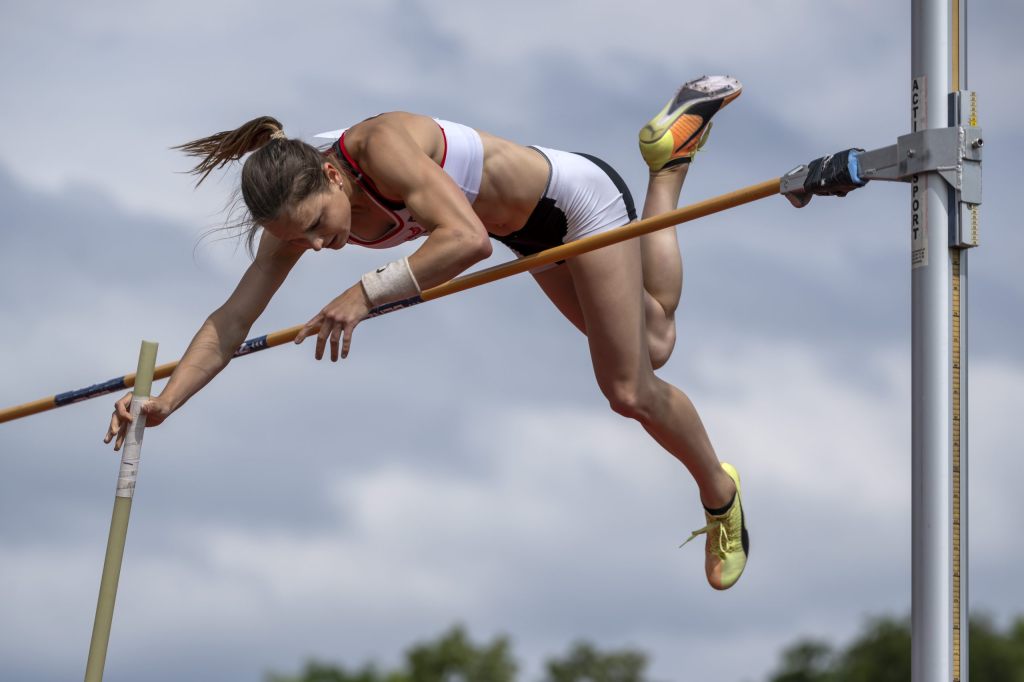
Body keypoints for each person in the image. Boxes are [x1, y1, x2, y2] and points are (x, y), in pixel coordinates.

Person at [104, 75, 749, 590]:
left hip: (572, 203)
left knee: (634, 381)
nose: (318, 243)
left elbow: (466, 240)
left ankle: (720, 497)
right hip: (521, 228)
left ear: (332, 174)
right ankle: (670, 161)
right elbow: (233, 319)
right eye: (298, 237)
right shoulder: (296, 208)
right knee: (653, 342)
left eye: (319, 224)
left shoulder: (377, 147)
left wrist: (363, 295)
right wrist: (168, 401)